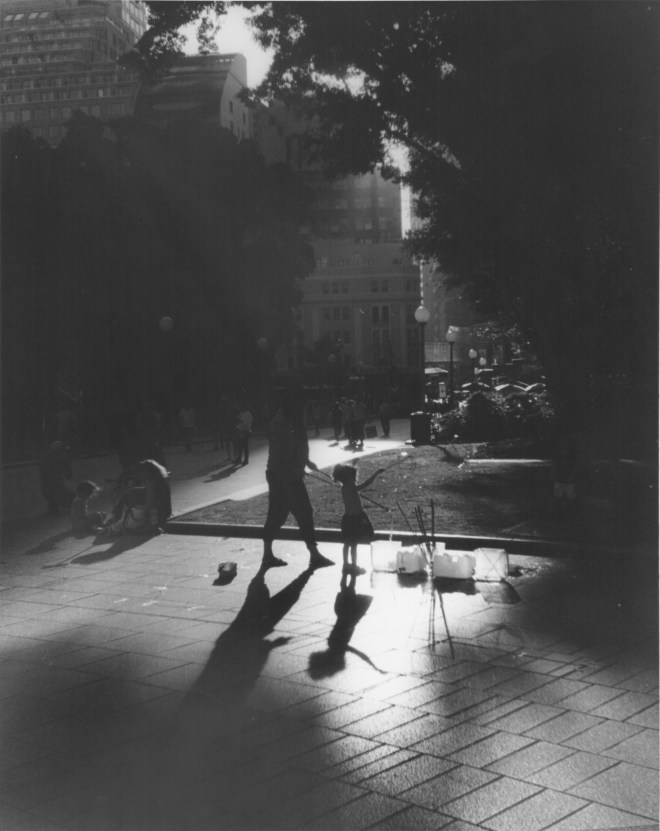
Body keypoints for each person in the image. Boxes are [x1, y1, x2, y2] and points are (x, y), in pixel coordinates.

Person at [262, 388, 334, 570]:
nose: (302, 410)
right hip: (283, 476)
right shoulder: (280, 424)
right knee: (297, 512)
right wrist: (295, 469)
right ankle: (312, 554)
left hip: (286, 474)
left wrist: (306, 461)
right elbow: (282, 453)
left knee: (282, 514)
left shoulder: (291, 420)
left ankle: (270, 555)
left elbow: (298, 446)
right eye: (300, 406)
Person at [332, 462, 385, 575]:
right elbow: (366, 483)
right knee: (354, 545)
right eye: (354, 477)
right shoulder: (351, 487)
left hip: (347, 519)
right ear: (349, 478)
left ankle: (346, 565)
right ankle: (354, 566)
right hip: (354, 519)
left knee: (347, 544)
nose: (355, 479)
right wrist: (376, 473)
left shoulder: (344, 488)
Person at [99, 459, 171, 535]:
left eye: (140, 473)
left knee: (131, 496)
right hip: (164, 514)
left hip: (155, 517)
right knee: (132, 493)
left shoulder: (150, 482)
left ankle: (117, 523)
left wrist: (139, 510)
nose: (139, 476)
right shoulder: (159, 479)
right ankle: (118, 522)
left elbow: (150, 501)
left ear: (145, 472)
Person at [39, 441, 73, 515]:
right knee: (72, 498)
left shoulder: (45, 459)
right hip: (56, 488)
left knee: (54, 502)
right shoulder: (60, 460)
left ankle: (54, 511)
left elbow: (68, 475)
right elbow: (69, 475)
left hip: (48, 488)